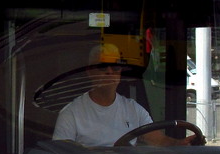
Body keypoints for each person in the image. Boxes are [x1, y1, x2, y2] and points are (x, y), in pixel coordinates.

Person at [53, 43, 200, 147]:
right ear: (90, 72)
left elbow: (159, 141)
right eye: (103, 66)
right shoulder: (71, 113)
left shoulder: (133, 110)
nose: (110, 72)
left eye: (115, 66)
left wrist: (179, 143)